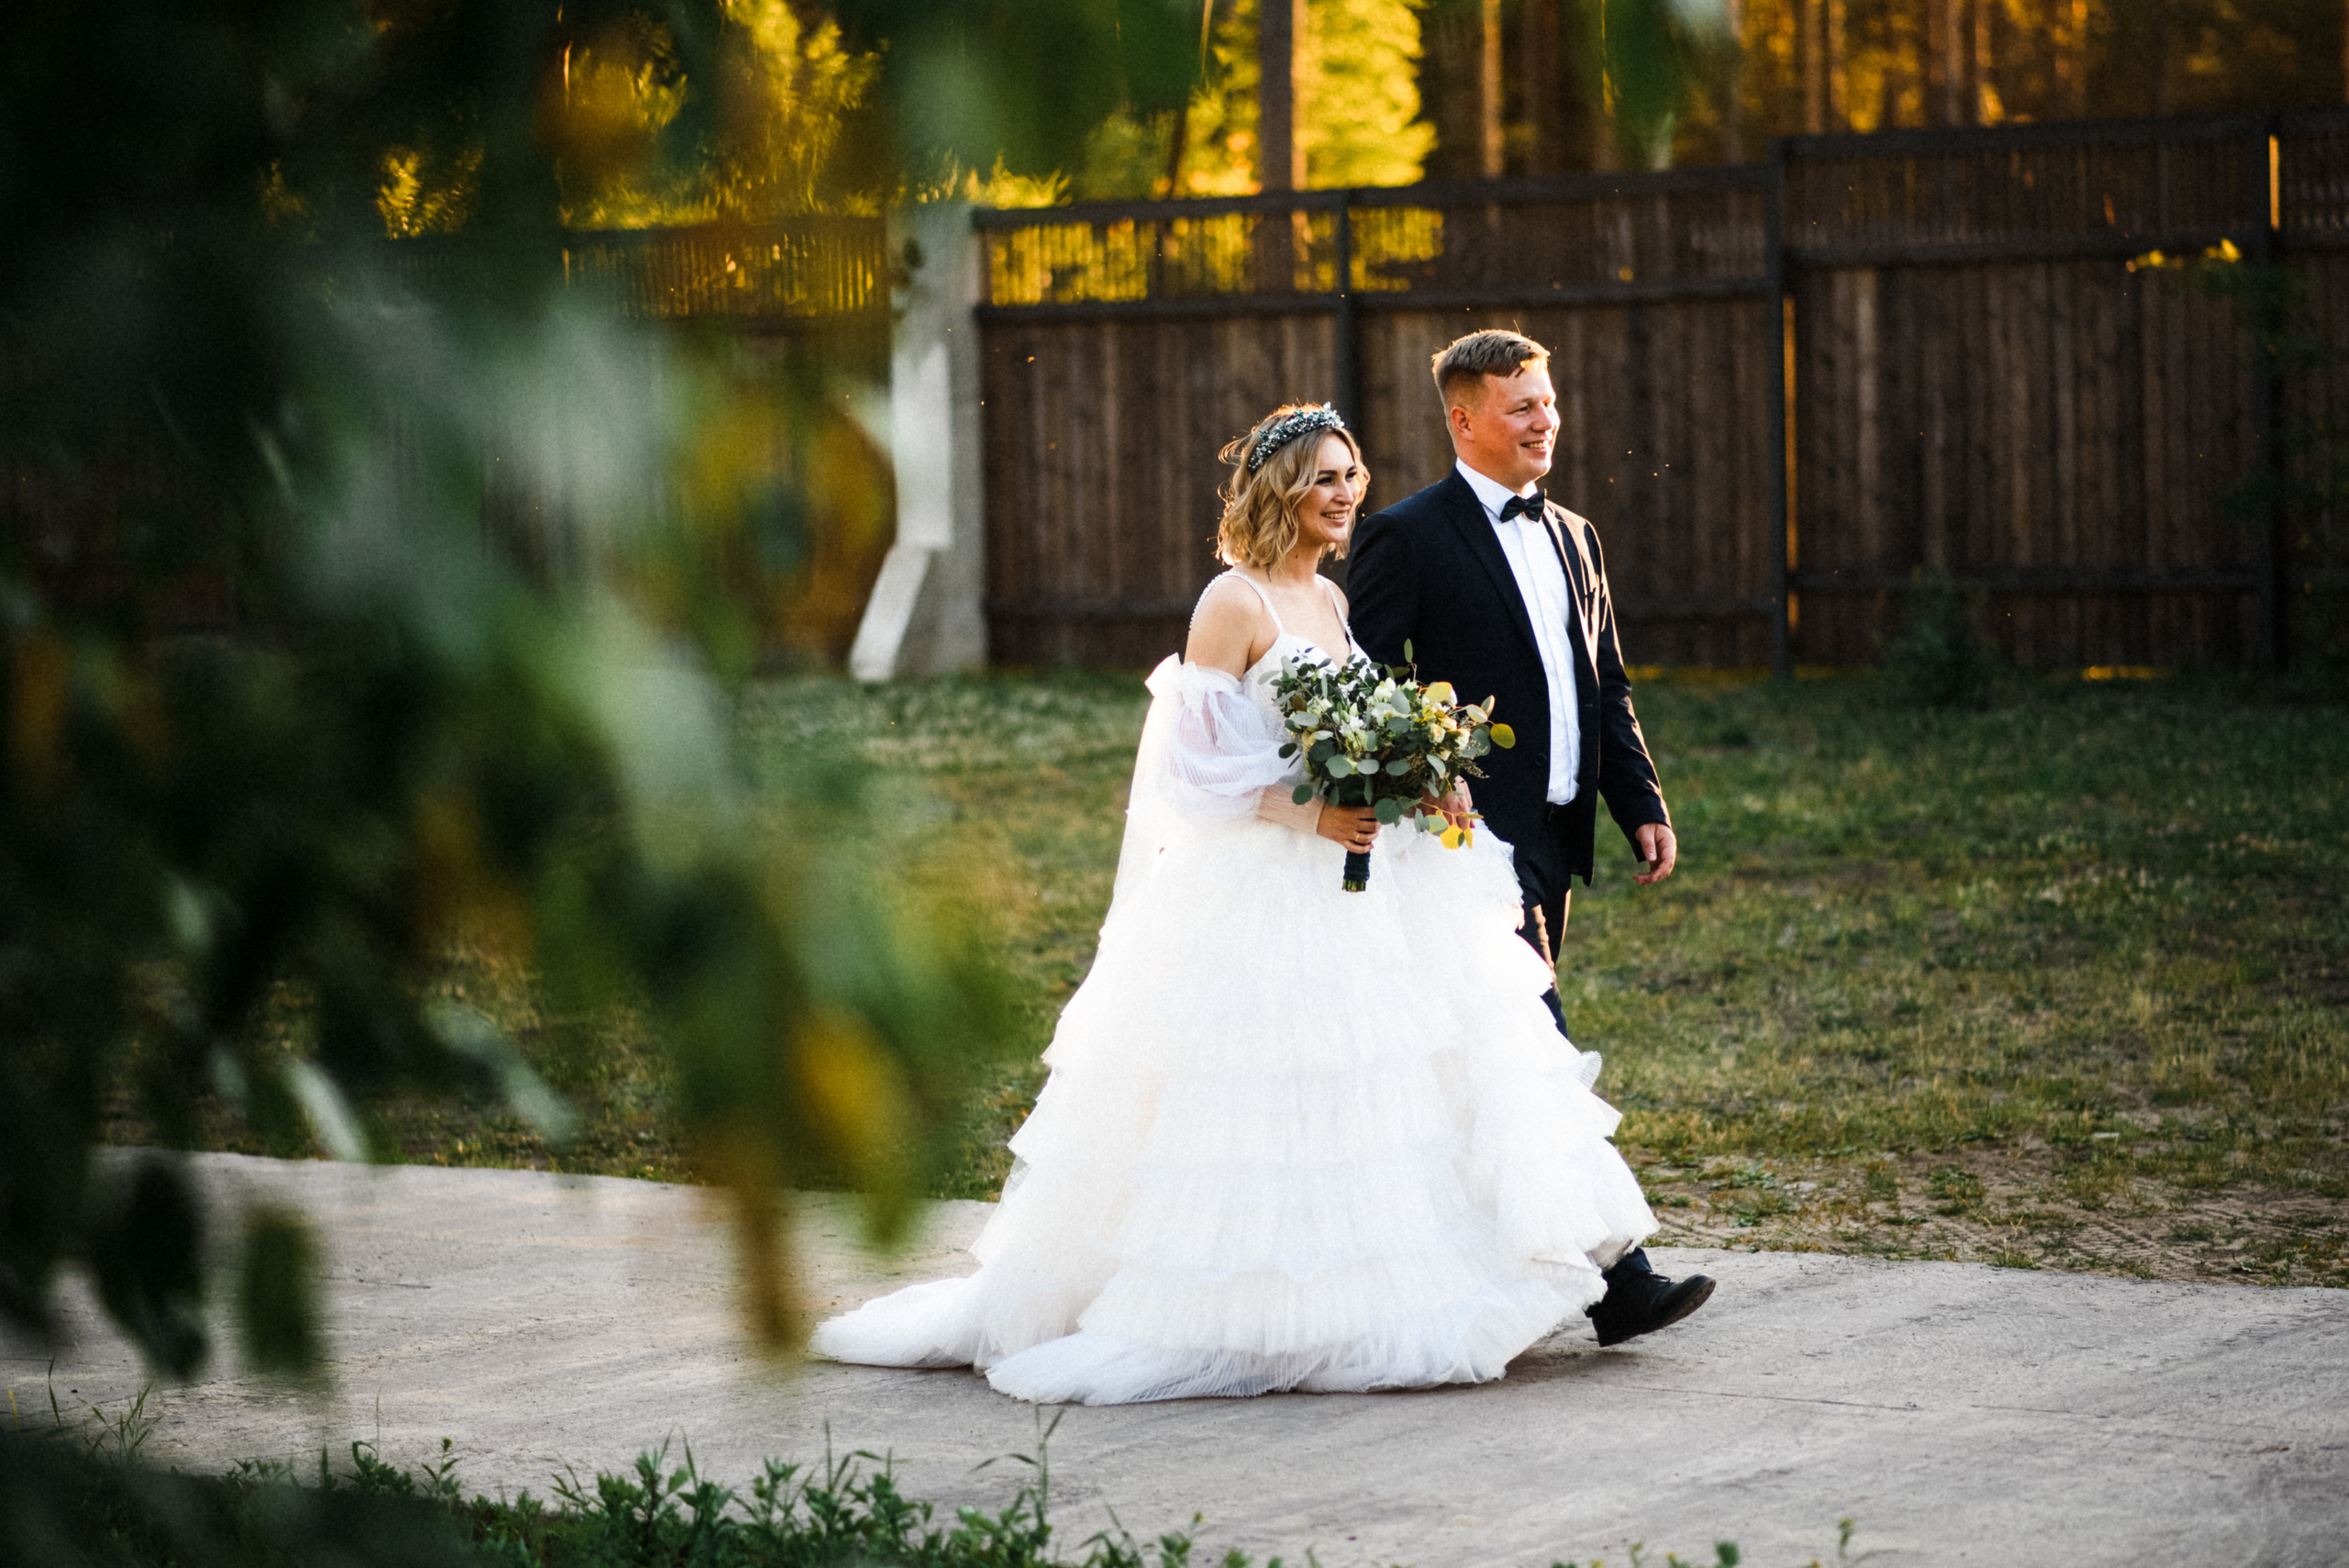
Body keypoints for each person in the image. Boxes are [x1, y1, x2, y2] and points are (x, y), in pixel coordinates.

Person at [811, 404, 1672, 1406]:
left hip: (1358, 888)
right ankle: (1256, 1310)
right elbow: (1191, 762)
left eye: (1352, 476)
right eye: (1326, 478)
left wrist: (1415, 776)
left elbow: (1354, 728)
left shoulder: (1332, 600)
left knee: (1382, 1085)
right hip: (1263, 889)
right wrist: (1302, 817)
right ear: (1280, 491)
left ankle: (1381, 1287)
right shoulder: (1235, 601)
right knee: (1273, 1094)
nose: (1347, 493)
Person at [1347, 328, 1712, 1349]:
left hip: (1553, 834)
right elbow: (1365, 678)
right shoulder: (1407, 536)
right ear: (1463, 420)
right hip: (1466, 848)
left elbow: (1605, 684)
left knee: (1495, 1058)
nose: (1543, 420)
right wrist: (1431, 771)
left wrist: (1638, 799)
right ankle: (1617, 1278)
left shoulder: (1578, 536)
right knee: (1533, 1045)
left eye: (1547, 402)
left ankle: (1494, 1256)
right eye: (1520, 406)